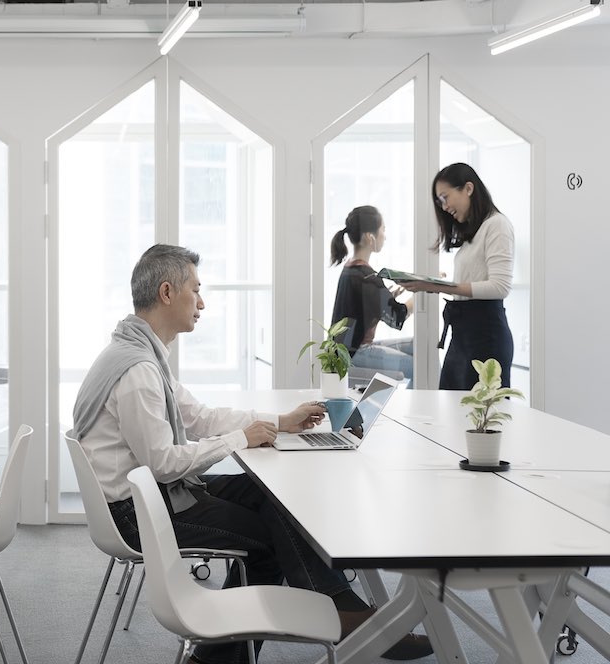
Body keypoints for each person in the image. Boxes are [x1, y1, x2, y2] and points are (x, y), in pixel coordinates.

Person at [73, 244, 430, 663]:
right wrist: (243, 438)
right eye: (196, 290)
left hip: (157, 496)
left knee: (268, 497)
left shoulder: (140, 353)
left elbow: (199, 416)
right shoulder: (138, 370)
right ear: (167, 293)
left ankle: (339, 607)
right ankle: (326, 619)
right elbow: (163, 462)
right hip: (140, 513)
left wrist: (278, 422)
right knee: (271, 540)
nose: (202, 302)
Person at [402, 163, 514, 389]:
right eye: (439, 201)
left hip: (486, 336)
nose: (444, 207)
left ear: (468, 189)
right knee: (451, 410)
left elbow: (500, 287)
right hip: (463, 334)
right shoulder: (475, 232)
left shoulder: (497, 225)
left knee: (479, 417)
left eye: (446, 197)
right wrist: (431, 285)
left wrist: (438, 286)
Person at [329, 205, 414, 385]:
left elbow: (361, 306)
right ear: (370, 237)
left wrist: (388, 296)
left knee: (419, 345)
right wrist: (422, 292)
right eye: (383, 229)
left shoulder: (352, 269)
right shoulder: (367, 277)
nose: (385, 235)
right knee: (419, 365)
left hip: (349, 347)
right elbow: (397, 317)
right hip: (357, 351)